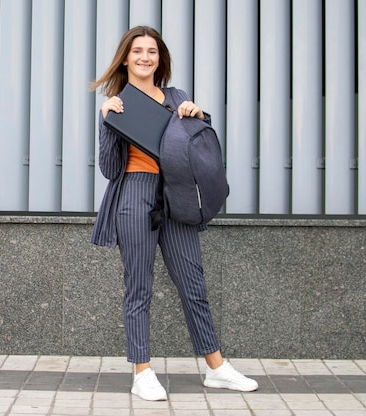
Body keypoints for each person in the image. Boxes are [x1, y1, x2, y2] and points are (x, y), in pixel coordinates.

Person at [89, 26, 258, 401]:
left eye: (152, 51)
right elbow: (109, 169)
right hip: (134, 193)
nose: (145, 57)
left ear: (160, 59)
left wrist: (198, 115)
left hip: (176, 197)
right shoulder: (117, 102)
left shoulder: (176, 96)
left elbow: (199, 150)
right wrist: (107, 123)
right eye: (137, 51)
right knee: (139, 287)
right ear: (126, 58)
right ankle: (142, 371)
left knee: (193, 284)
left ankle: (216, 368)